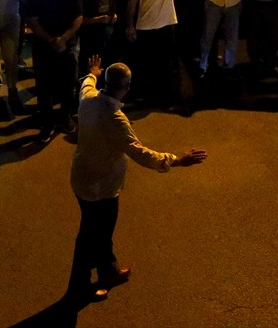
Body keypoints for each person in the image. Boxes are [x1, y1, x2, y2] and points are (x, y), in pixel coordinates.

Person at [64, 54, 207, 304]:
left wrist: (93, 71)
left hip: (82, 177)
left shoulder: (88, 99)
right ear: (127, 87)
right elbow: (140, 152)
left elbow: (86, 83)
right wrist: (177, 159)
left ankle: (109, 271)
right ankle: (79, 288)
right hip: (101, 187)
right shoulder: (116, 120)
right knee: (92, 235)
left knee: (99, 231)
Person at [22, 0, 82, 140]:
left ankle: (65, 117)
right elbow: (31, 20)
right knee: (44, 87)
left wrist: (63, 39)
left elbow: (78, 17)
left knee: (68, 84)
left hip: (67, 47)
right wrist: (50, 40)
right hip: (43, 48)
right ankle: (47, 122)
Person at [126, 0, 194, 111]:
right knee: (146, 64)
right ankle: (143, 96)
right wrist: (130, 26)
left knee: (167, 64)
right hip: (146, 27)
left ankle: (165, 97)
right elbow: (132, 3)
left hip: (166, 25)